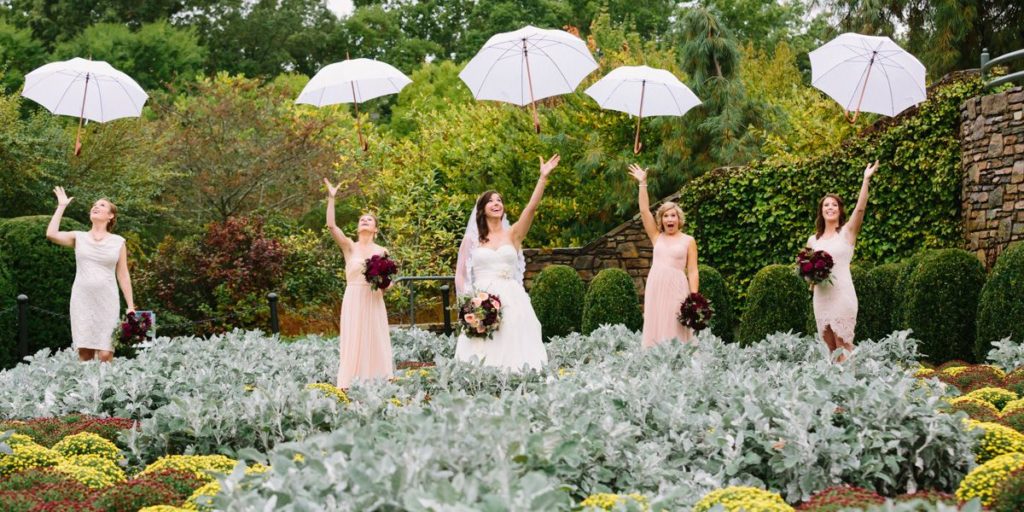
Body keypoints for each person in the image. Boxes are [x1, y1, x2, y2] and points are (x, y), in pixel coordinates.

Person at [453, 155, 560, 370]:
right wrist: (467, 304)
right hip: (481, 297)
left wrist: (543, 178)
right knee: (482, 348)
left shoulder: (513, 235)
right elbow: (460, 274)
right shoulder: (472, 240)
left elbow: (530, 209)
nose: (496, 203)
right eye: (491, 200)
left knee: (515, 342)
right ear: (482, 209)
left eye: (499, 200)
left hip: (513, 299)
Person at [45, 187, 135, 362]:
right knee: (85, 352)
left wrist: (131, 305)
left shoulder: (118, 242)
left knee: (105, 353)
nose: (96, 207)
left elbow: (123, 275)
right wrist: (61, 206)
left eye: (101, 205)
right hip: (82, 299)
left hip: (107, 300)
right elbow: (51, 234)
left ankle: (107, 388)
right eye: (94, 205)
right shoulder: (79, 237)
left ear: (111, 216)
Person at [324, 178, 394, 388]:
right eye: (361, 219)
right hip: (353, 297)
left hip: (373, 298)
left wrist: (382, 283)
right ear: (357, 227)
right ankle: (350, 381)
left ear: (375, 229)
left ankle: (379, 379)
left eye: (369, 220)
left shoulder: (382, 251)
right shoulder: (349, 247)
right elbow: (331, 226)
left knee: (375, 337)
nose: (364, 221)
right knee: (353, 338)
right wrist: (331, 198)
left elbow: (389, 284)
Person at [807, 160, 879, 361]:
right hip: (821, 298)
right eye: (826, 205)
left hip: (842, 296)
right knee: (829, 348)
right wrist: (810, 277)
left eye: (834, 205)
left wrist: (866, 180)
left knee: (843, 346)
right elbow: (806, 270)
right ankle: (833, 390)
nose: (830, 208)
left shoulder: (847, 232)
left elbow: (860, 210)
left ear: (840, 210)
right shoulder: (813, 240)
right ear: (821, 211)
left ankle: (849, 388)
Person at [628, 165, 700, 348]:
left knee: (675, 323)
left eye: (673, 216)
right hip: (656, 286)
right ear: (661, 220)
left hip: (677, 287)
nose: (670, 219)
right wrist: (642, 183)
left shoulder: (688, 240)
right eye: (666, 216)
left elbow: (692, 271)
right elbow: (644, 211)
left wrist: (694, 297)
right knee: (656, 322)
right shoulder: (656, 237)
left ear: (679, 219)